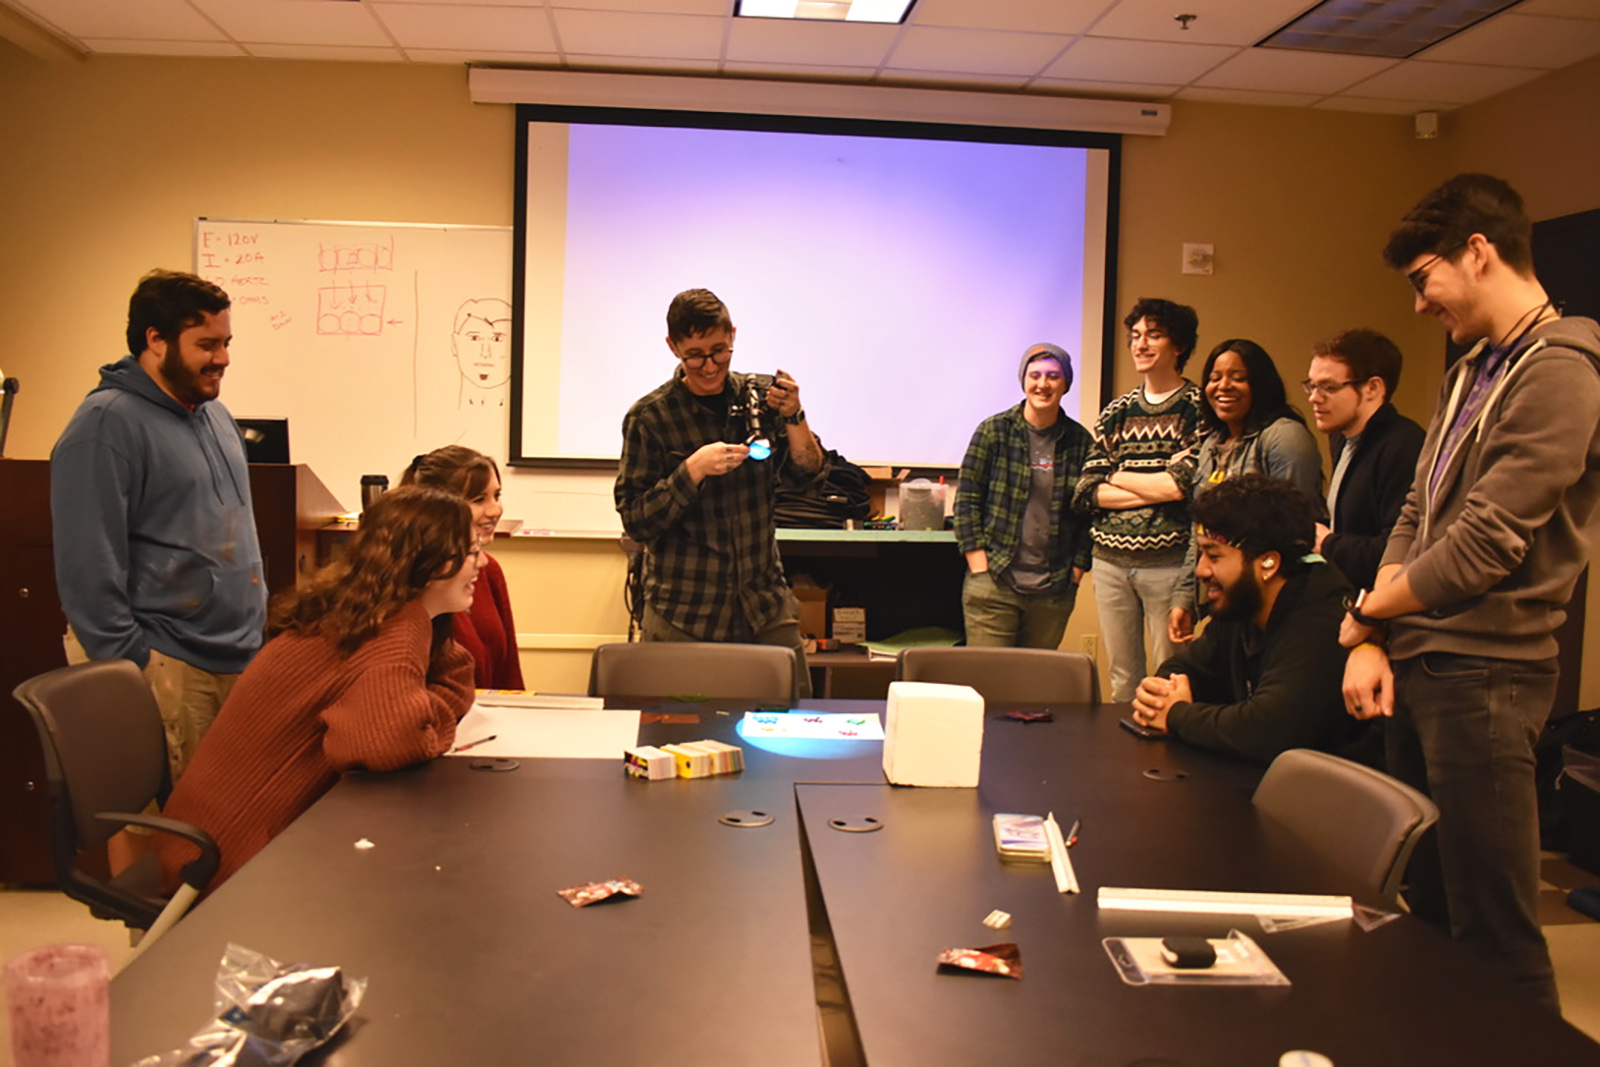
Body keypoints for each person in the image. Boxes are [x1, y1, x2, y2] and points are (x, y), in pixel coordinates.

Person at [1341, 174, 1600, 1010]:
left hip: (1490, 675)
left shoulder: (1562, 371)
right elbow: (1420, 510)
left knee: (1496, 932)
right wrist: (1377, 633)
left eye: (1424, 279)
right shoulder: (1472, 372)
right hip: (1424, 662)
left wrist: (1365, 612)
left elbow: (1486, 544)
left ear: (1478, 253)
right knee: (1436, 915)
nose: (1419, 305)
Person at [155, 487, 480, 895]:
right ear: (434, 562)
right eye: (471, 551)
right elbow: (388, 744)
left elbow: (454, 671)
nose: (480, 563)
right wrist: (433, 721)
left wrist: (427, 710)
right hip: (226, 861)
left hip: (233, 837)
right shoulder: (395, 627)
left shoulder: (363, 610)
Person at [50, 269, 266, 781]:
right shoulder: (105, 425)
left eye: (227, 342)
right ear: (155, 339)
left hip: (234, 657)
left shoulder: (214, 415)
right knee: (162, 829)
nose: (223, 358)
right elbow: (87, 568)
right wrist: (134, 666)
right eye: (207, 344)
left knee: (223, 823)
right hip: (167, 663)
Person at [615, 289, 825, 697]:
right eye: (695, 355)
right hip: (684, 610)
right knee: (676, 733)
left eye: (720, 351)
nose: (709, 366)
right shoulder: (650, 418)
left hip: (763, 603)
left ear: (732, 336)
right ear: (672, 346)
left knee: (792, 723)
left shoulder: (761, 400)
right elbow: (637, 520)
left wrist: (795, 416)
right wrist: (692, 470)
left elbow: (809, 476)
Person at [1130, 474, 1360, 767]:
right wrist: (1161, 695)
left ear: (1268, 563)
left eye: (1214, 556)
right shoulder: (1242, 605)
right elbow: (1181, 669)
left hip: (1330, 801)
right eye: (1201, 555)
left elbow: (1267, 730)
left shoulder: (1322, 622)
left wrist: (1177, 714)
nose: (1201, 570)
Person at [1074, 298, 1206, 702]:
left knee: (1171, 678)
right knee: (1122, 681)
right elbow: (1086, 492)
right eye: (1135, 336)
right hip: (1111, 563)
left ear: (1178, 346)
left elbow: (1182, 487)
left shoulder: (1197, 409)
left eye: (1154, 335)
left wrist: (1118, 474)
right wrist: (1148, 481)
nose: (1140, 344)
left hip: (1169, 564)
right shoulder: (1115, 412)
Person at [1169, 339, 1323, 644]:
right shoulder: (1212, 443)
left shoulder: (1284, 437)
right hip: (1228, 596)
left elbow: (1296, 532)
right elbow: (1198, 532)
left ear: (1260, 384)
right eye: (1215, 378)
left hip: (1273, 604)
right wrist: (1184, 598)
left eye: (1238, 377)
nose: (1224, 386)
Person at [954, 343, 1094, 648]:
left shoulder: (1081, 441)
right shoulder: (994, 431)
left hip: (1053, 589)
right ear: (1024, 380)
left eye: (1053, 376)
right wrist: (978, 563)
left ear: (1066, 383)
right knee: (989, 684)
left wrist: (1078, 569)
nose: (1042, 384)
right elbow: (966, 501)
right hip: (994, 581)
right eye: (1035, 375)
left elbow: (1089, 512)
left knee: (1033, 686)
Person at [1303, 328, 1426, 589]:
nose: (1314, 398)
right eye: (1312, 386)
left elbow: (1399, 549)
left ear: (1372, 388)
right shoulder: (1342, 437)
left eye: (1328, 387)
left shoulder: (1404, 445)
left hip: (1384, 605)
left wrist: (1328, 544)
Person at [401, 445, 524, 689]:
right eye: (479, 500)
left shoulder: (489, 571)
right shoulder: (415, 579)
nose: (495, 509)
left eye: (497, 496)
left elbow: (509, 672)